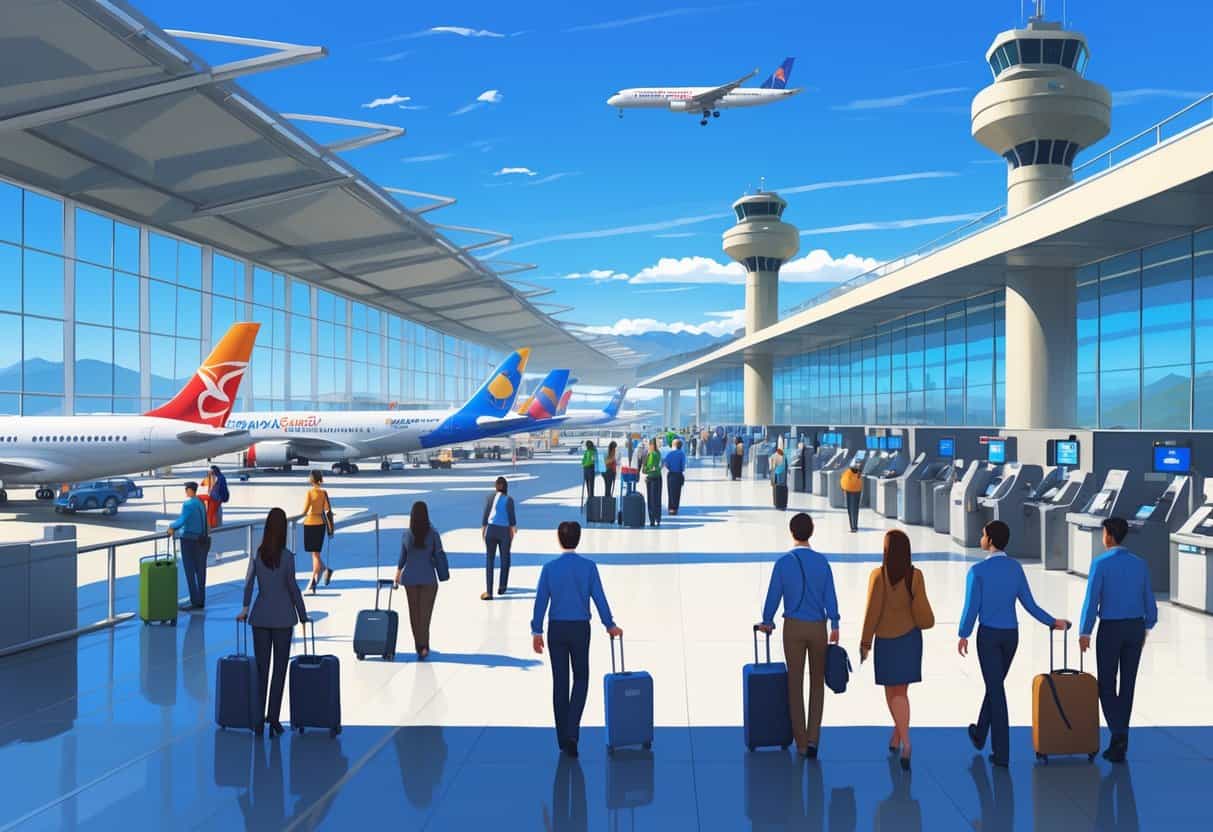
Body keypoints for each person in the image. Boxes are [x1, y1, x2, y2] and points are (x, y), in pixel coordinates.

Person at [958, 520, 1069, 767]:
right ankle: (979, 734)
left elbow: (971, 608)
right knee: (995, 686)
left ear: (991, 541)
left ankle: (1002, 753)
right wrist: (1052, 622)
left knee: (997, 692)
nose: (981, 537)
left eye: (983, 534)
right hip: (1010, 636)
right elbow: (1029, 604)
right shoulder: (1015, 569)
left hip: (988, 636)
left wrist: (963, 634)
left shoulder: (977, 572)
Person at [532, 521, 622, 757]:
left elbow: (541, 600)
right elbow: (599, 598)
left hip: (557, 629)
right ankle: (573, 732)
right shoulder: (589, 567)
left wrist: (536, 631)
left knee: (560, 682)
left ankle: (563, 737)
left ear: (559, 539)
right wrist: (609, 624)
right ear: (579, 539)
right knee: (581, 677)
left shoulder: (549, 569)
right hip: (580, 628)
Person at [758, 512, 840, 758]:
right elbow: (830, 596)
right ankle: (814, 738)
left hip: (793, 626)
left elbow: (774, 595)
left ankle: (801, 743)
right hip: (817, 627)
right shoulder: (822, 563)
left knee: (794, 683)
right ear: (811, 532)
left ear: (792, 532)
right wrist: (834, 623)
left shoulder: (783, 563)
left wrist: (767, 620)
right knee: (817, 683)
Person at [1078, 516, 1158, 763]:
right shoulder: (1140, 564)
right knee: (1128, 684)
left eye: (1103, 533)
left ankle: (1118, 733)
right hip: (1135, 628)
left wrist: (1085, 631)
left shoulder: (1100, 563)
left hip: (1111, 629)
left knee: (1106, 684)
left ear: (1109, 535)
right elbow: (1150, 603)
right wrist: (1146, 626)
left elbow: (1092, 600)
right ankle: (1119, 740)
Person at [860, 530, 935, 771]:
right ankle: (897, 736)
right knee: (902, 691)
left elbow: (872, 611)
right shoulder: (915, 575)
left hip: (886, 639)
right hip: (910, 638)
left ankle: (907, 743)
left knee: (892, 692)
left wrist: (865, 643)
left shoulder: (878, 576)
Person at [237, 507, 308, 736]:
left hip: (260, 618)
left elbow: (248, 583)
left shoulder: (258, 555)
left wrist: (245, 608)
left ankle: (257, 720)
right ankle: (274, 719)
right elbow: (292, 587)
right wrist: (303, 613)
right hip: (283, 619)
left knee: (261, 669)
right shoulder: (287, 557)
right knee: (279, 670)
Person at [395, 501, 449, 659]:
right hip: (428, 578)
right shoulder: (433, 534)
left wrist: (398, 573)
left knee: (414, 614)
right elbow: (439, 554)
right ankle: (424, 646)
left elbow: (402, 557)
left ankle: (419, 646)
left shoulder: (407, 534)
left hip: (410, 578)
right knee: (425, 615)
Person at [168, 481, 209, 610]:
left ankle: (194, 601)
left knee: (190, 571)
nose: (186, 492)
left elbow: (182, 520)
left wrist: (171, 527)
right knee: (201, 571)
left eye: (186, 489)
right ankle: (201, 600)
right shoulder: (200, 503)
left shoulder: (189, 504)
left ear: (190, 490)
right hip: (202, 540)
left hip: (189, 540)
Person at [481, 476, 517, 600]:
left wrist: (484, 530)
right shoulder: (509, 500)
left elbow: (486, 514)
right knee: (505, 558)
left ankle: (489, 592)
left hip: (491, 530)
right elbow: (512, 519)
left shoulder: (490, 498)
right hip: (504, 531)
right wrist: (512, 532)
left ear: (495, 486)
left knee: (489, 560)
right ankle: (502, 586)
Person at [301, 470, 334, 594]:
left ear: (312, 479)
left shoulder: (310, 493)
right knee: (316, 553)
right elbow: (327, 510)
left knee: (314, 555)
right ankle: (324, 570)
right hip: (321, 524)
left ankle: (313, 582)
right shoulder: (323, 493)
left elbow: (305, 510)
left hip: (310, 523)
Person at [642, 437, 663, 526]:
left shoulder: (651, 455)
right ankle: (658, 518)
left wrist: (645, 469)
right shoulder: (658, 453)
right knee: (657, 499)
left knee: (651, 500)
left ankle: (652, 519)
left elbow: (648, 469)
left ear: (650, 445)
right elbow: (659, 467)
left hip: (651, 479)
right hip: (658, 478)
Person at [664, 438, 687, 515]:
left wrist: (670, 468)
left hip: (671, 475)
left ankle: (670, 508)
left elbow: (666, 464)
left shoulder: (669, 454)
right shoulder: (682, 454)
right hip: (678, 475)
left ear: (673, 445)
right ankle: (675, 508)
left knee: (670, 491)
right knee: (677, 492)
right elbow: (683, 467)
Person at [840, 462, 863, 533]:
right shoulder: (853, 473)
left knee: (851, 509)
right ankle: (853, 526)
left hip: (850, 490)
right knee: (853, 509)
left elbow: (843, 479)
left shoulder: (849, 472)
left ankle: (853, 527)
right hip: (855, 491)